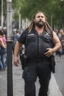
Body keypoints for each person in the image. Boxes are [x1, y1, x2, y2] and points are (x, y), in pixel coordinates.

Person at [14, 11, 61, 96]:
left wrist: (53, 50)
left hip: (45, 64)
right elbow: (18, 43)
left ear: (45, 20)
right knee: (29, 89)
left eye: (42, 17)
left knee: (44, 89)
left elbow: (58, 43)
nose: (40, 18)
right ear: (34, 19)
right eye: (38, 16)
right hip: (30, 64)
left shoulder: (50, 32)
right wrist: (15, 57)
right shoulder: (27, 31)